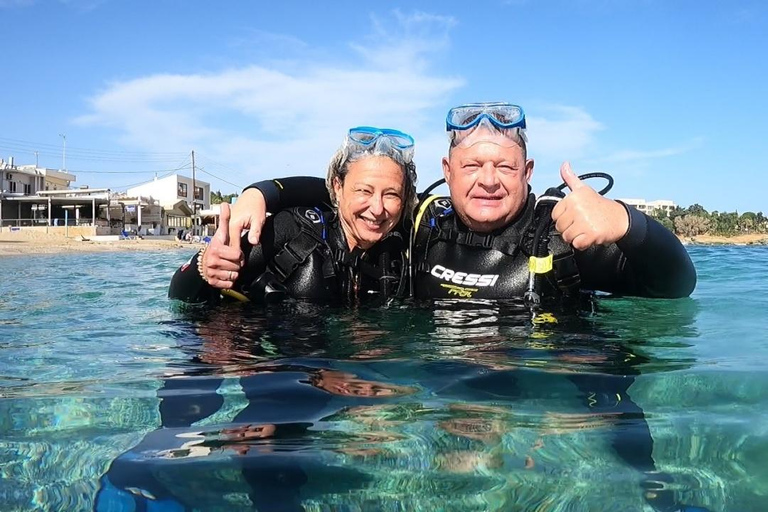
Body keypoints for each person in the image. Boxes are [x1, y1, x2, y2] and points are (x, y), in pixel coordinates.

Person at [215, 102, 696, 302]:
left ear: (527, 174)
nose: (488, 181)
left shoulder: (560, 236)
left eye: (505, 167)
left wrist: (629, 224)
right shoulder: (423, 226)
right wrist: (264, 191)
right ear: (448, 174)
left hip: (550, 398)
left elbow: (677, 286)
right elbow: (353, 198)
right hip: (443, 398)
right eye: (471, 167)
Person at [168, 126, 418, 304]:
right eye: (364, 190)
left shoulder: (402, 251)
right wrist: (202, 266)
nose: (377, 208)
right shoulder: (293, 231)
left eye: (391, 195)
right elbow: (177, 294)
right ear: (338, 187)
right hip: (258, 359)